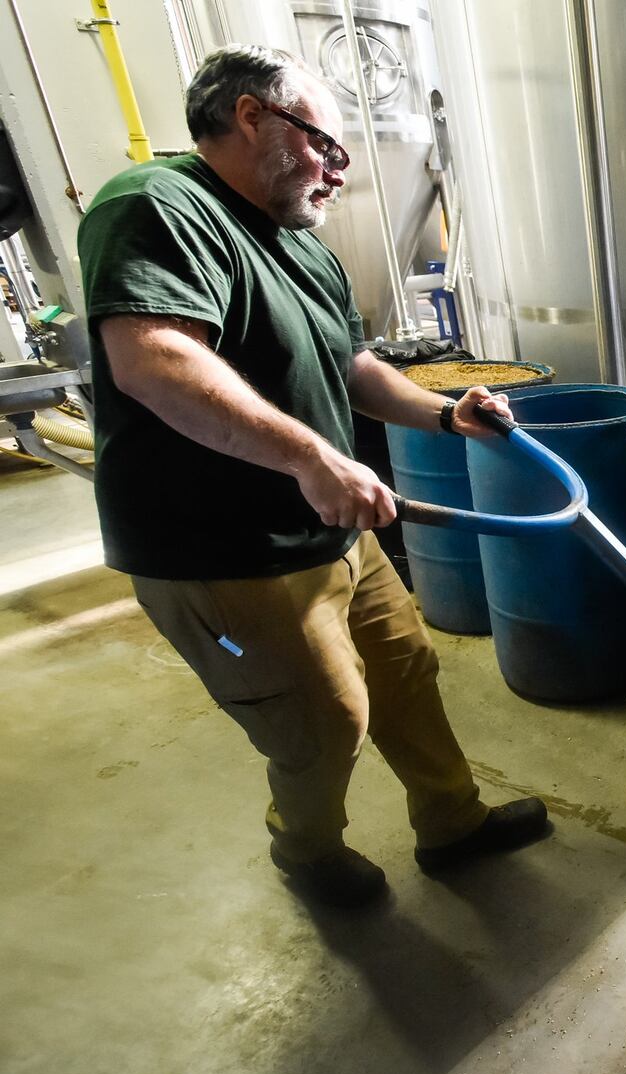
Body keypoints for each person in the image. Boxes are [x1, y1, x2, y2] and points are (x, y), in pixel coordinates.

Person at [77, 45, 547, 907]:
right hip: (223, 553)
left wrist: (446, 415)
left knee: (406, 675)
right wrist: (311, 457)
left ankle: (453, 824)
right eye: (326, 147)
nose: (339, 172)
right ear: (253, 116)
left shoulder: (300, 241)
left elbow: (353, 364)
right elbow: (153, 360)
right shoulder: (157, 206)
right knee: (324, 723)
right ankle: (306, 852)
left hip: (329, 528)